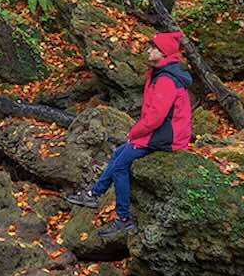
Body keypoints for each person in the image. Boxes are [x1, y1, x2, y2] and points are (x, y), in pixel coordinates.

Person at [66, 30, 193, 236]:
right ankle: (93, 194)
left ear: (164, 53)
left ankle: (123, 218)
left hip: (168, 136)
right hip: (164, 132)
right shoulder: (161, 73)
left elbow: (156, 117)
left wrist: (135, 133)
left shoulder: (166, 79)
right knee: (119, 153)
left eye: (153, 48)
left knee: (121, 163)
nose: (148, 50)